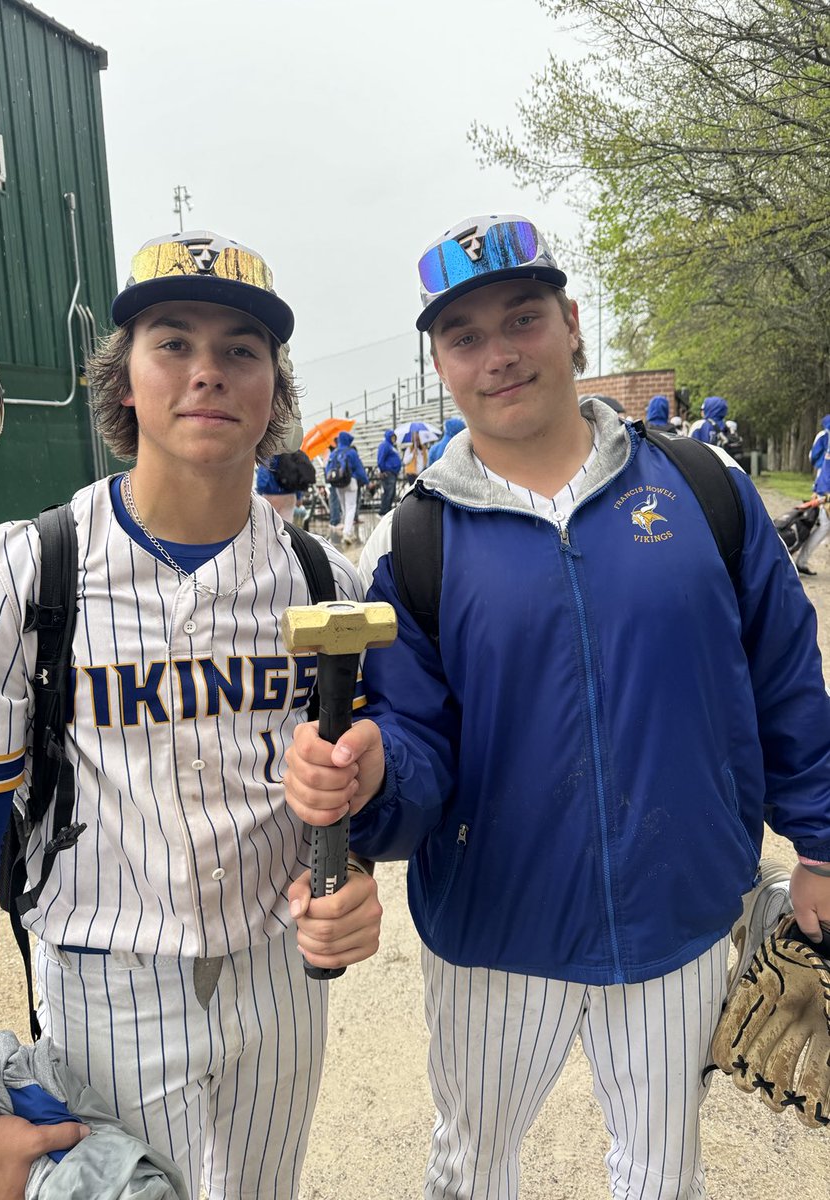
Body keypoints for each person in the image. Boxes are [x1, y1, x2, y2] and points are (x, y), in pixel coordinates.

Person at [283, 212, 830, 1200]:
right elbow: (414, 741)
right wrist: (373, 771)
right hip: (497, 927)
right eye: (465, 335)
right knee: (470, 1167)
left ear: (572, 323)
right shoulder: (417, 540)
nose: (499, 353)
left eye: (523, 318)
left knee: (662, 1177)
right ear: (440, 362)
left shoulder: (706, 487)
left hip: (682, 912)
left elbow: (786, 674)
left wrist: (823, 843)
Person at [0, 229, 382, 1200]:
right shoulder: (22, 575)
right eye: (173, 341)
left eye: (242, 350)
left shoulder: (324, 583)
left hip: (277, 990)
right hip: (104, 989)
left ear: (274, 394)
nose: (208, 372)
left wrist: (350, 880)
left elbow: (344, 791)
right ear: (123, 382)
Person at [327, 429, 368, 545]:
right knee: (351, 507)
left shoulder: (334, 452)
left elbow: (328, 468)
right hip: (351, 482)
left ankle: (348, 530)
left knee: (344, 508)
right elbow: (359, 468)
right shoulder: (351, 452)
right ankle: (347, 532)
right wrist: (365, 480)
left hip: (338, 483)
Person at [794, 448, 830, 577]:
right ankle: (800, 562)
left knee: (821, 528)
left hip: (823, 491)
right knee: (823, 528)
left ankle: (800, 562)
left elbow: (821, 466)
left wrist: (816, 487)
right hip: (826, 495)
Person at [255, 453, 297, 521]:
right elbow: (298, 475)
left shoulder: (268, 454)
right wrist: (299, 495)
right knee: (287, 526)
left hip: (270, 495)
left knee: (270, 525)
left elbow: (262, 478)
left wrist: (259, 493)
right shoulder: (292, 453)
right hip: (290, 496)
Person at [376, 429, 402, 515]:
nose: (394, 439)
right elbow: (380, 459)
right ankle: (384, 511)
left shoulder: (391, 446)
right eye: (392, 437)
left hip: (393, 473)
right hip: (388, 473)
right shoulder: (385, 445)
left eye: (394, 437)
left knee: (391, 493)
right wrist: (383, 470)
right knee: (388, 492)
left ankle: (387, 510)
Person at [809, 414, 830, 478]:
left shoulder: (822, 435)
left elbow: (815, 453)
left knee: (822, 486)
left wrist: (814, 462)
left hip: (823, 465)